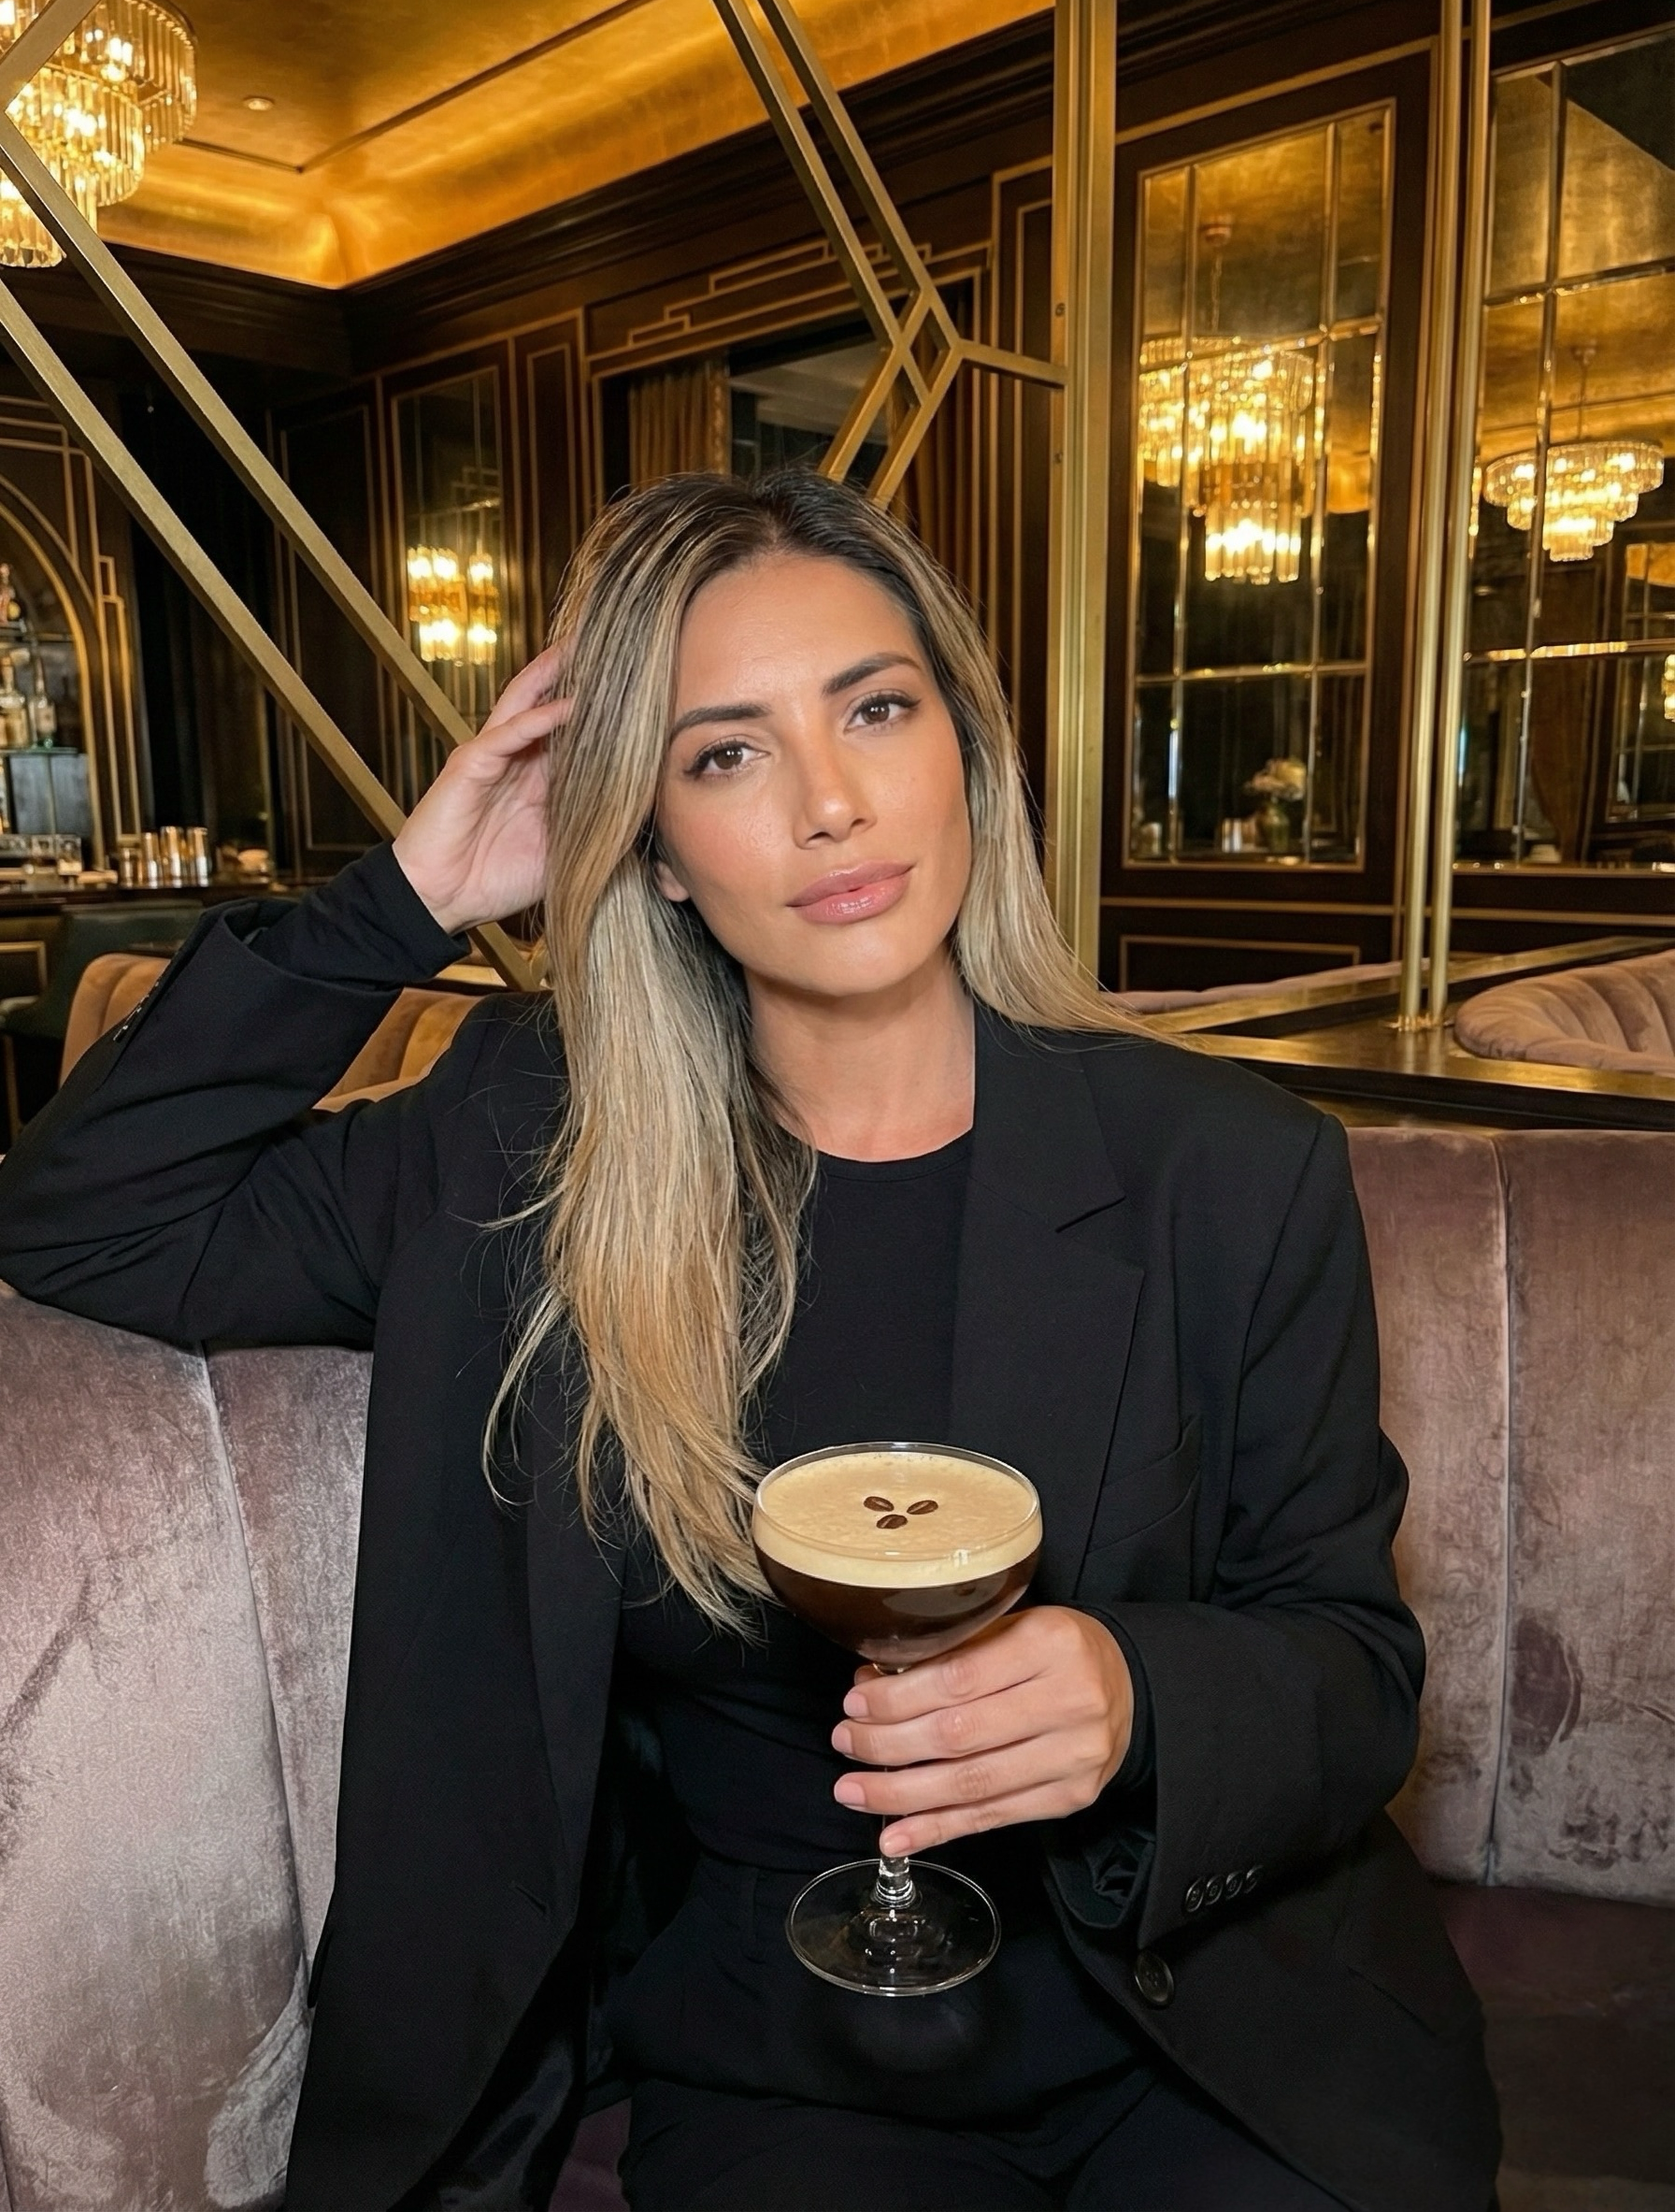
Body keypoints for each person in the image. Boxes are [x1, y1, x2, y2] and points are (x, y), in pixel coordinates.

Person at [0, 471, 1498, 2212]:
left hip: (1212, 2019)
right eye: (724, 755)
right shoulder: (519, 1147)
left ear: (965, 749)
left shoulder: (1228, 1169)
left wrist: (1139, 1699)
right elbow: (81, 1218)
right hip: (786, 2049)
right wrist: (409, 894)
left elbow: (1352, 1666)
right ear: (650, 847)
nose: (831, 803)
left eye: (877, 709)